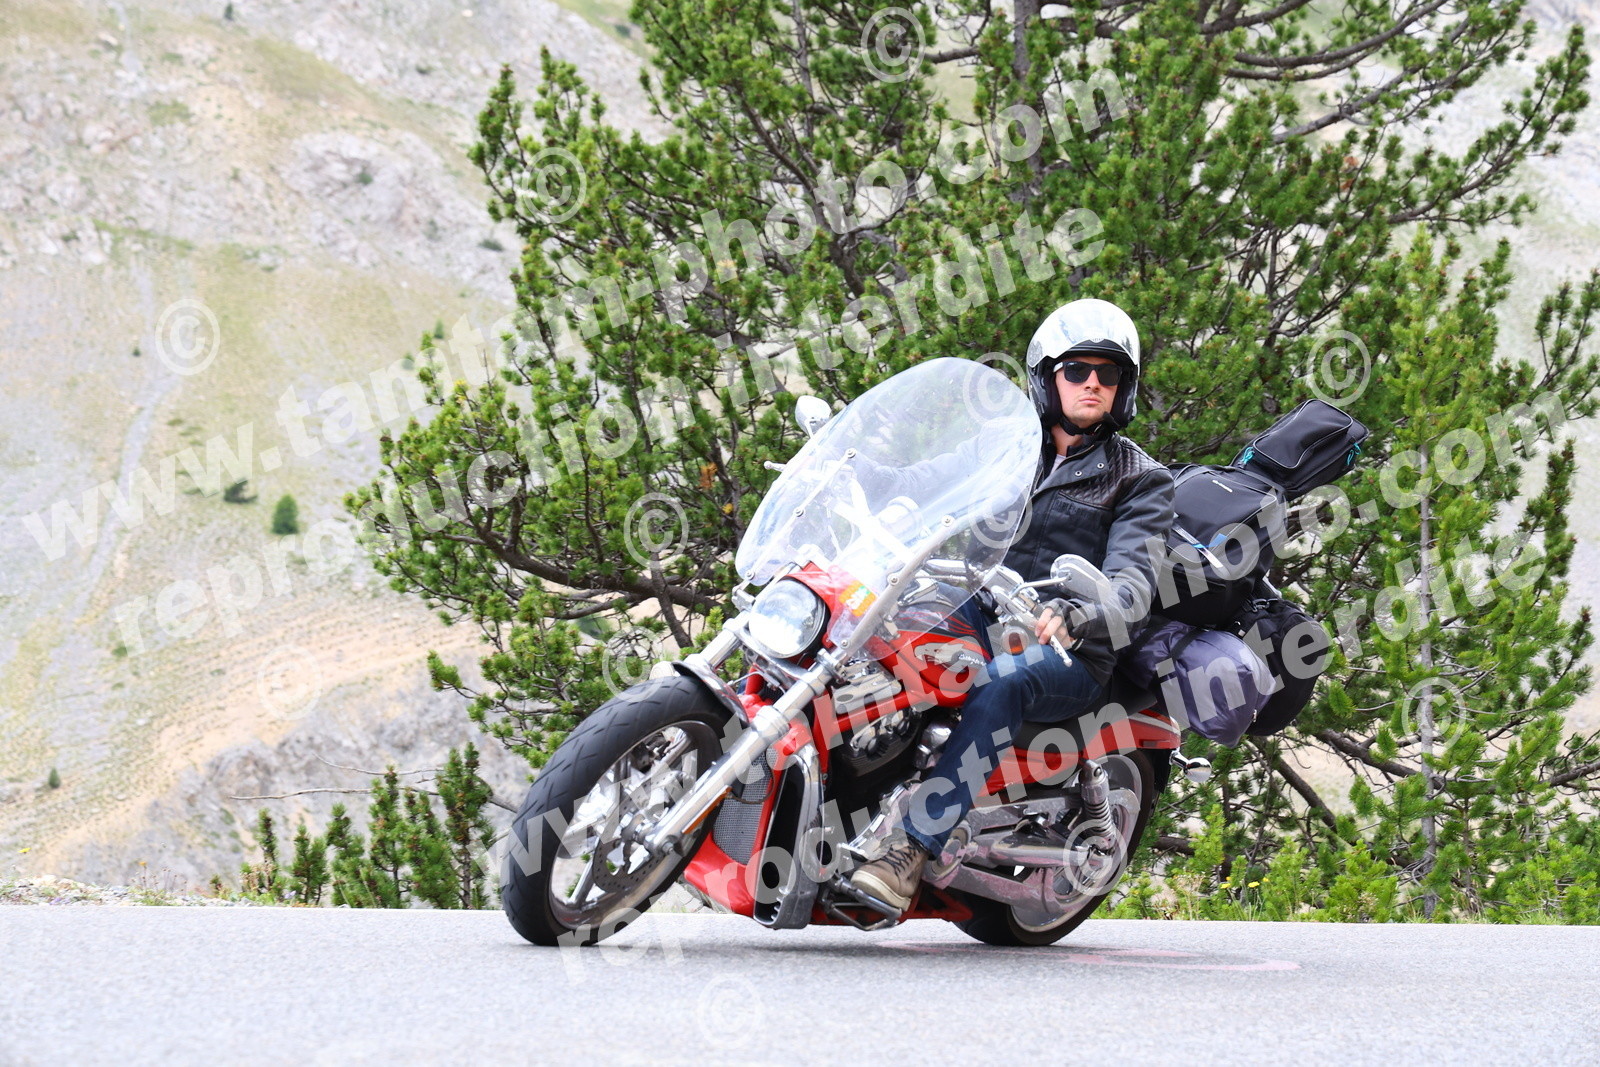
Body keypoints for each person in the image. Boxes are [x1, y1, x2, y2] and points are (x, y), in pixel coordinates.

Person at [848, 298, 1176, 911]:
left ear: (1123, 388)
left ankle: (911, 849)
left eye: (1108, 373)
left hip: (1068, 649)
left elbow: (1131, 588)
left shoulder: (1139, 479)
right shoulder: (1007, 445)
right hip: (983, 609)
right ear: (1048, 377)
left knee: (1002, 682)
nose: (1092, 383)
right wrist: (851, 468)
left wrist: (1080, 612)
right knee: (873, 627)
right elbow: (921, 482)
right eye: (1076, 369)